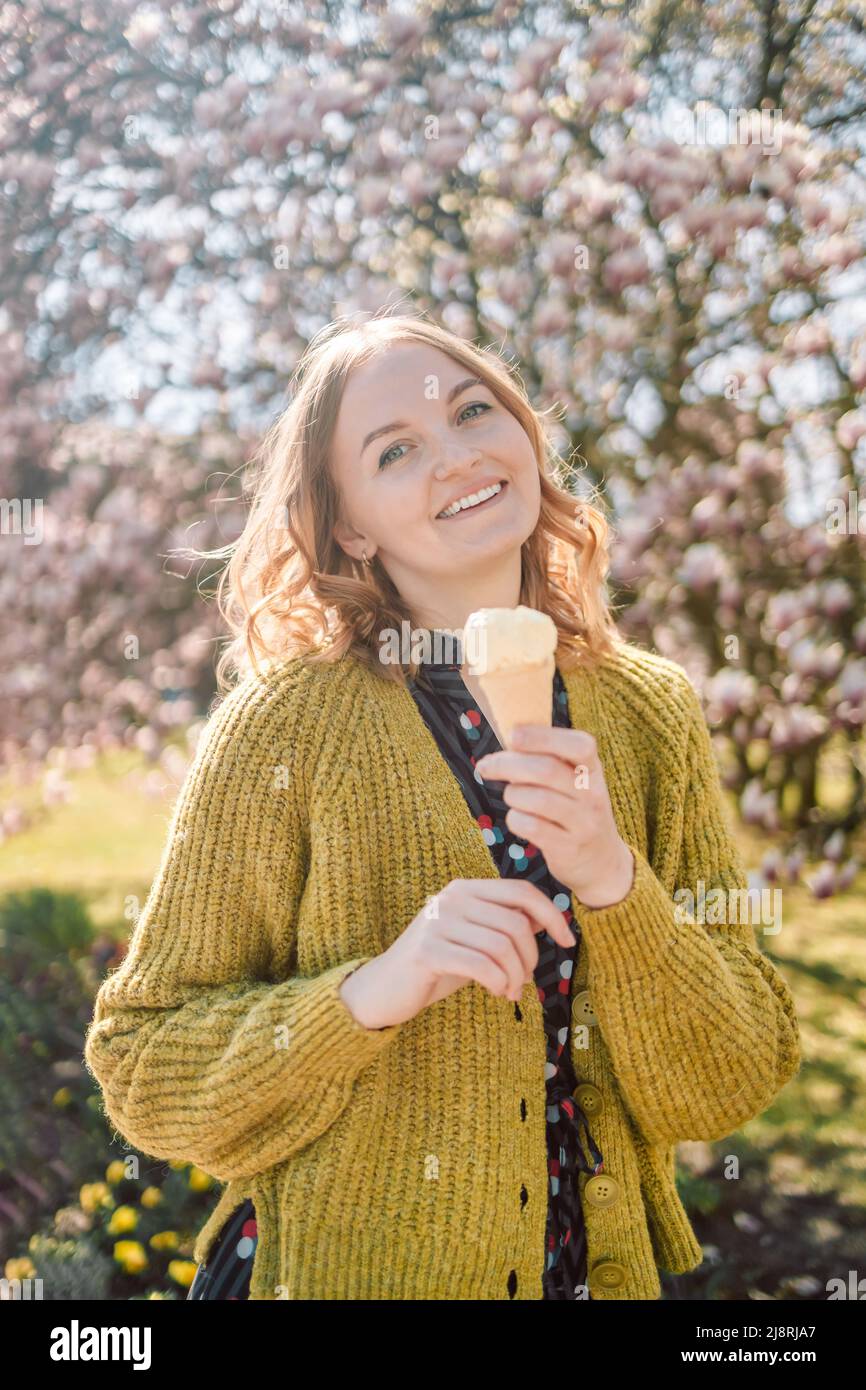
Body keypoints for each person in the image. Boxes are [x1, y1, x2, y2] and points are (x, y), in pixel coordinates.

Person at [84, 309, 801, 1301]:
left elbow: (730, 1075)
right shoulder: (285, 726)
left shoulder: (646, 708)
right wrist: (375, 987)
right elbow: (144, 1065)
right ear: (348, 525)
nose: (456, 456)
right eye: (395, 450)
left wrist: (613, 884)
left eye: (474, 410)